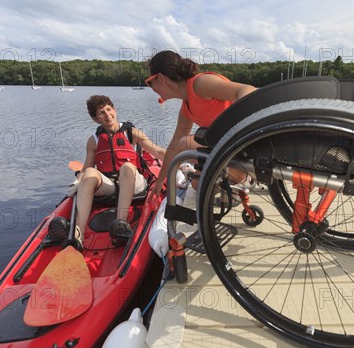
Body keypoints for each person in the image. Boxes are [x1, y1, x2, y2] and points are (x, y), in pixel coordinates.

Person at [145, 50, 256, 203]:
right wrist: (160, 182)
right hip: (228, 148)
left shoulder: (200, 84)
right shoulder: (186, 108)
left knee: (184, 144)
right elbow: (172, 148)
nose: (151, 87)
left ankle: (242, 177)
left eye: (149, 82)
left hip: (246, 142)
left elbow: (247, 90)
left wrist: (235, 129)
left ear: (160, 78)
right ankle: (232, 182)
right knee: (197, 184)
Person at [70, 95, 165, 244]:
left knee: (127, 167)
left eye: (109, 109)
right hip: (111, 185)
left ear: (114, 109)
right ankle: (78, 233)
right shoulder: (93, 140)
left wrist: (178, 157)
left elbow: (157, 152)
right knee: (90, 173)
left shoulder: (131, 132)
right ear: (96, 119)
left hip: (134, 183)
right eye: (102, 113)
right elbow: (86, 168)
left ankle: (120, 225)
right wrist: (77, 182)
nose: (108, 115)